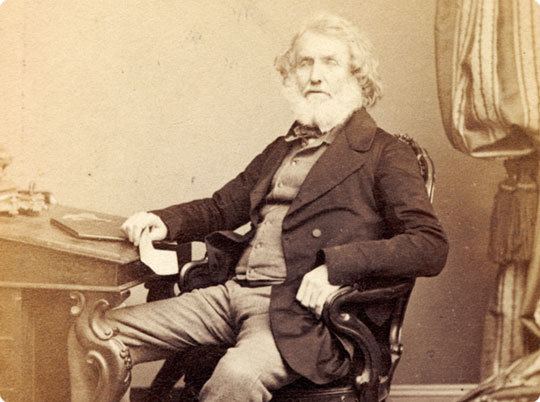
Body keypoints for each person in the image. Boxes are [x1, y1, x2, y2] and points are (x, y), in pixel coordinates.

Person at [68, 14, 448, 402]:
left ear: (357, 75)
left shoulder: (385, 153)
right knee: (91, 333)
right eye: (305, 63)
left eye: (330, 62)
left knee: (237, 377)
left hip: (301, 315)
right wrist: (162, 221)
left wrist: (336, 267)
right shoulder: (283, 148)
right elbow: (221, 207)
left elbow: (429, 245)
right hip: (228, 294)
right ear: (292, 75)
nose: (315, 76)